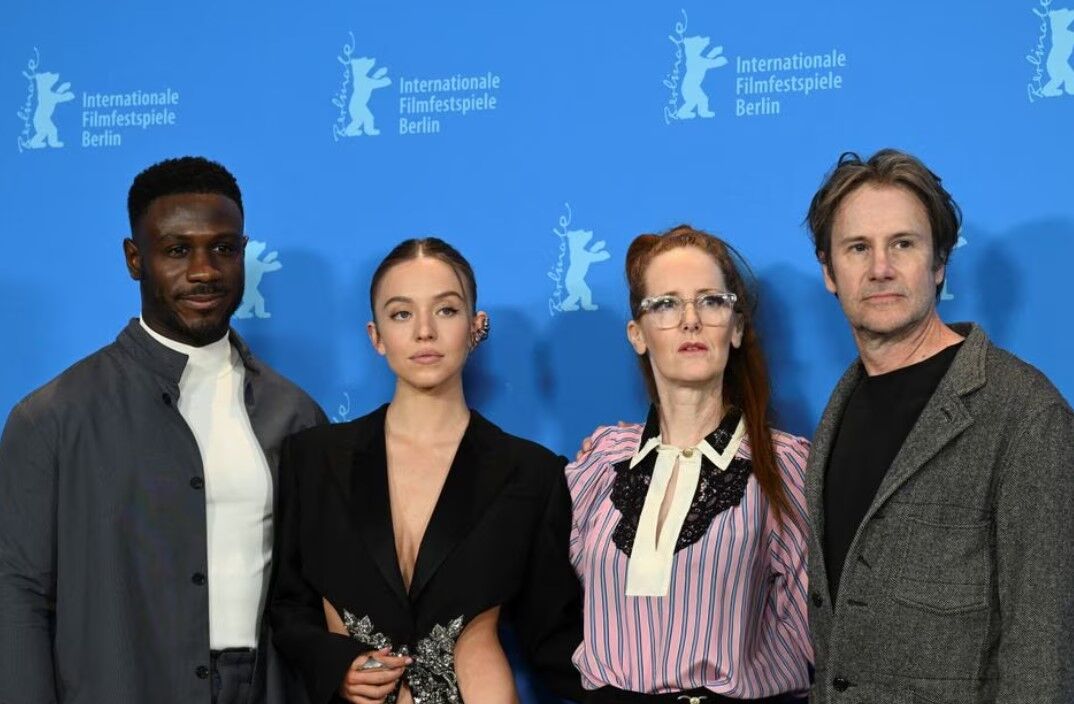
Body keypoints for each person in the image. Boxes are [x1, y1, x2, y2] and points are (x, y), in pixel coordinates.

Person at [0, 156, 326, 704]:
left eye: (224, 249)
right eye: (177, 250)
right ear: (135, 259)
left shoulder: (296, 414)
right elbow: (17, 594)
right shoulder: (53, 417)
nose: (204, 271)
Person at [803, 149, 1074, 703]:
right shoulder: (839, 407)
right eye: (858, 248)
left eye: (903, 244)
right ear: (829, 272)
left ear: (940, 263)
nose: (881, 268)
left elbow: (1042, 654)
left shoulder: (1024, 414)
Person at [269, 237, 583, 704]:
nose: (424, 332)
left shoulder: (532, 474)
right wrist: (336, 665)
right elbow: (288, 605)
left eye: (446, 310)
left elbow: (555, 638)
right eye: (401, 314)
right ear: (376, 336)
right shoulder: (313, 459)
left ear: (475, 327)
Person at [567, 225, 812, 703]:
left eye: (711, 301)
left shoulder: (783, 465)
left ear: (736, 328)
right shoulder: (601, 460)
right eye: (666, 304)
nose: (690, 321)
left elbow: (819, 634)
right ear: (637, 335)